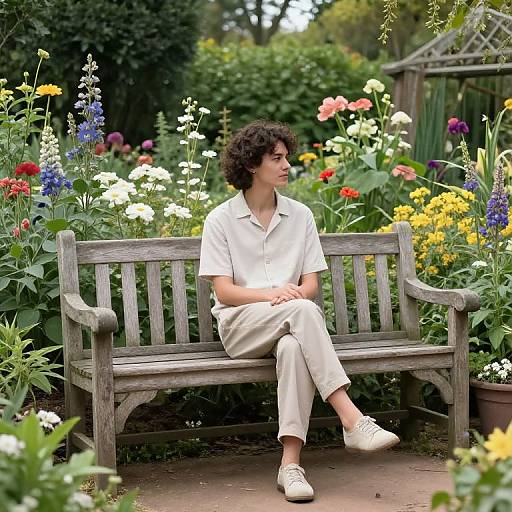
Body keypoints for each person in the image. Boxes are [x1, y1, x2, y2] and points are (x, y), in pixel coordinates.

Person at [198, 120, 399, 503]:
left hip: (290, 323)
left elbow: (310, 286)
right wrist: (274, 294)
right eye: (277, 158)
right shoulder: (220, 220)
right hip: (241, 327)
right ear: (252, 165)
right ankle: (352, 418)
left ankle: (290, 465)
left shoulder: (300, 216)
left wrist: (289, 297)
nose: (287, 165)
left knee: (293, 346)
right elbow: (224, 292)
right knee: (303, 312)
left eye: (287, 157)